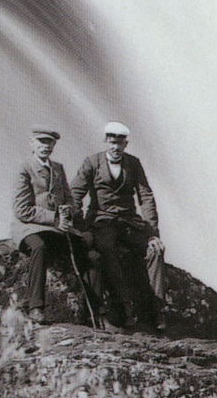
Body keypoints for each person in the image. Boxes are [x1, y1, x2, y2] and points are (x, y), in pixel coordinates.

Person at [72, 122, 165, 333]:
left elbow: (146, 197)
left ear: (126, 144)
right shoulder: (92, 163)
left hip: (129, 222)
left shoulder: (133, 164)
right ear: (106, 142)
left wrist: (152, 234)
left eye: (120, 143)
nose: (115, 147)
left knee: (155, 251)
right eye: (112, 143)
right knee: (106, 249)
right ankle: (125, 305)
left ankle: (158, 309)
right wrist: (80, 227)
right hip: (102, 221)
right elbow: (75, 194)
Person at [12, 126, 99, 325]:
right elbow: (21, 209)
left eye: (49, 142)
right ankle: (36, 307)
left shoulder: (58, 168)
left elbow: (69, 198)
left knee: (92, 256)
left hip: (57, 228)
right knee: (39, 248)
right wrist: (55, 217)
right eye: (41, 141)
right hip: (30, 226)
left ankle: (97, 313)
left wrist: (70, 212)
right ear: (32, 144)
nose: (45, 146)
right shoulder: (24, 168)